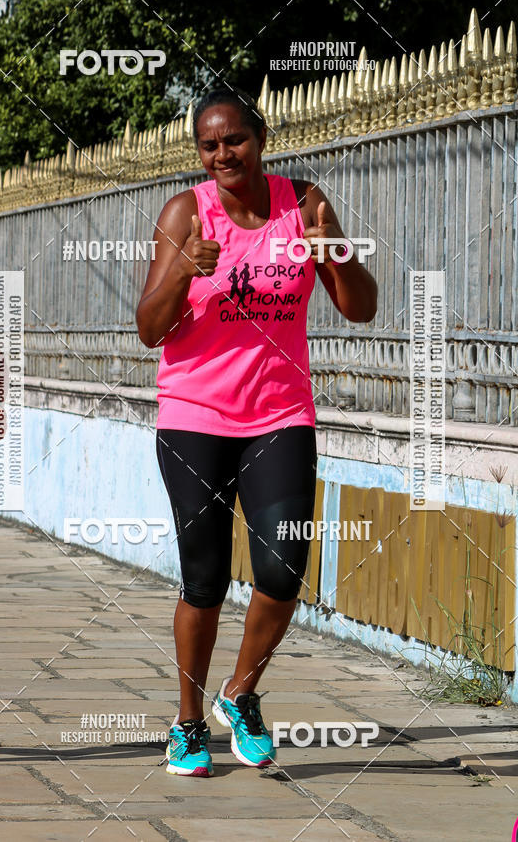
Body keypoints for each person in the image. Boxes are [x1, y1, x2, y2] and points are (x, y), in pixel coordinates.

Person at [136, 88, 377, 777]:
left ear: (261, 138)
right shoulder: (186, 212)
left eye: (233, 140)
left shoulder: (303, 205)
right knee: (204, 578)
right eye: (209, 146)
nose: (222, 155)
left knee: (282, 569)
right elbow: (150, 327)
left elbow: (361, 307)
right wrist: (183, 270)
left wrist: (334, 249)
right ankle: (186, 724)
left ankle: (239, 696)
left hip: (279, 414)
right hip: (195, 417)